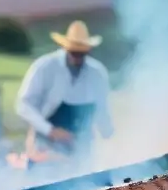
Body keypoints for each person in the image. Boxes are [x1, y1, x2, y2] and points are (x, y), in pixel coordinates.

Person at [15, 20, 114, 164]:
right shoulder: (45, 67)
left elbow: (102, 109)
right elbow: (23, 105)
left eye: (81, 53)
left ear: (88, 50)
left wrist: (107, 130)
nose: (77, 57)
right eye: (74, 52)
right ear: (65, 47)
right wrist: (51, 130)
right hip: (45, 146)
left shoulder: (97, 73)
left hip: (81, 149)